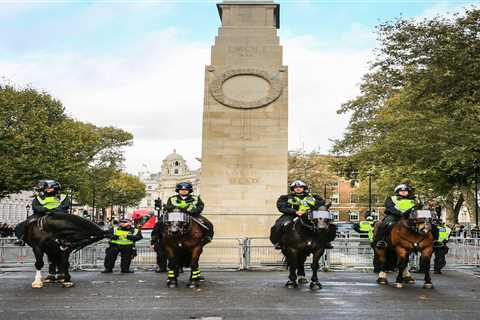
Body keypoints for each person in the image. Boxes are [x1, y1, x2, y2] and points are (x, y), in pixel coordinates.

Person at [270, 180, 337, 250]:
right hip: (291, 215)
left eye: (300, 187)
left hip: (311, 215)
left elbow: (321, 204)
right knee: (279, 225)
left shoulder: (313, 196)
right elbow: (282, 207)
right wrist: (295, 211)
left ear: (304, 188)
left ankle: (326, 241)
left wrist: (310, 210)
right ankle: (278, 242)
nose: (298, 188)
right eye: (295, 187)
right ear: (293, 189)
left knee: (330, 225)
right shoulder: (285, 197)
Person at [374, 183, 420, 248]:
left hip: (412, 217)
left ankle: (434, 241)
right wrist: (400, 213)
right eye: (401, 191)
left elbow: (420, 208)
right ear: (397, 192)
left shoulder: (415, 199)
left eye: (405, 191)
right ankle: (382, 241)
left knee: (429, 224)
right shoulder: (391, 198)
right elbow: (390, 207)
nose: (403, 192)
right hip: (395, 216)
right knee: (386, 223)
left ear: (408, 192)